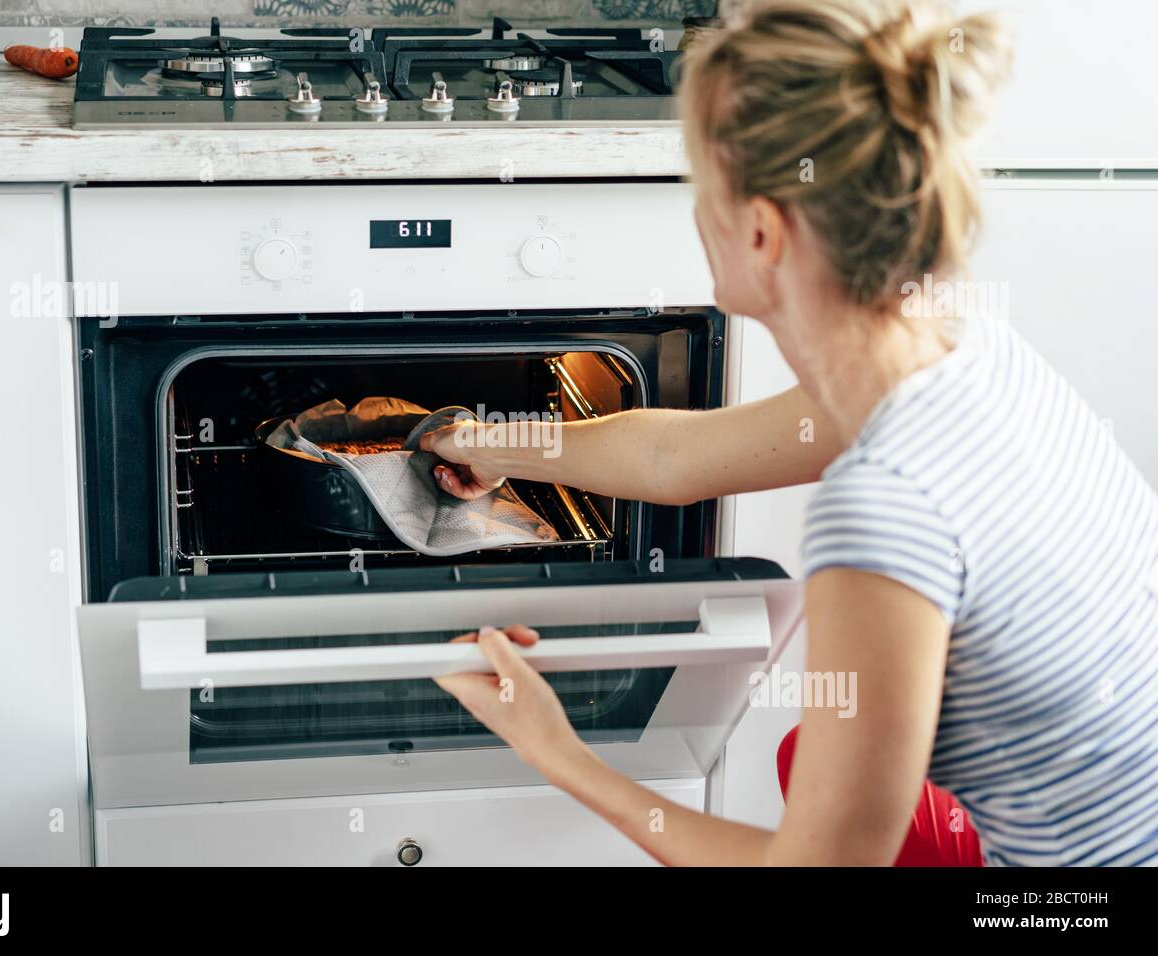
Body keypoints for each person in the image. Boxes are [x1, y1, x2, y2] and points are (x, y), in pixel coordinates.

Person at [419, 0, 1158, 866]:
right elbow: (675, 457)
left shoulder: (884, 504)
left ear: (763, 232)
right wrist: (488, 440)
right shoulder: (957, 350)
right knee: (812, 752)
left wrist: (558, 752)